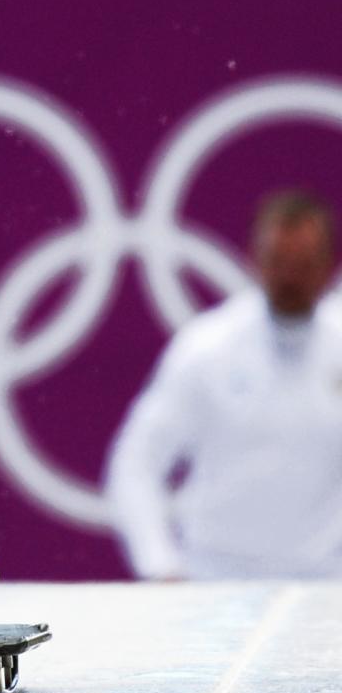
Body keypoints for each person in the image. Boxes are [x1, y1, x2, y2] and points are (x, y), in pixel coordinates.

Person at [105, 190, 342, 580]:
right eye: (278, 262)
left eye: (303, 264)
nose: (289, 278)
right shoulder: (207, 348)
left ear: (330, 266)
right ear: (254, 259)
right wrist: (160, 565)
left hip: (327, 584)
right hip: (216, 581)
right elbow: (137, 461)